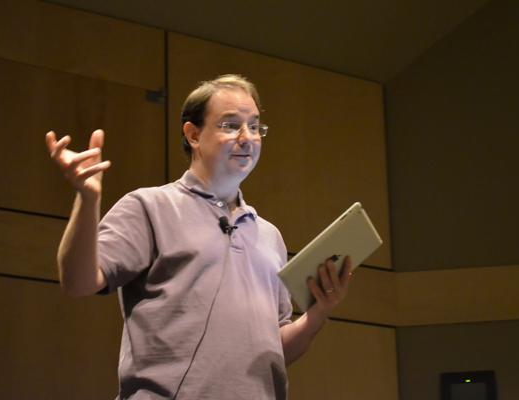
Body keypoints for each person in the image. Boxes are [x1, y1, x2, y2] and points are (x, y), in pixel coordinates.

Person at [45, 74, 353, 399]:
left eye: (255, 126)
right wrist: (88, 198)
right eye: (230, 125)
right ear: (193, 134)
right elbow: (77, 283)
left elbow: (274, 351)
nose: (247, 137)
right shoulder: (150, 206)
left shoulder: (270, 237)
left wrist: (318, 313)